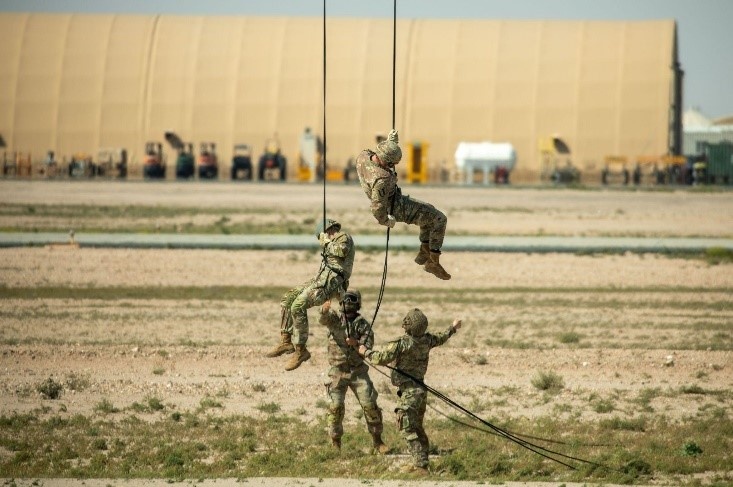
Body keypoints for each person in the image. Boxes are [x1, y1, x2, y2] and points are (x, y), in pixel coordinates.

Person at [356, 309, 462, 475]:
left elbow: (381, 358)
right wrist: (453, 328)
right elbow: (442, 337)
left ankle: (421, 466)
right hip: (421, 390)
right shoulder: (428, 340)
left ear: (408, 326)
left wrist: (364, 351)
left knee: (407, 428)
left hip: (410, 392)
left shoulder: (402, 343)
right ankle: (422, 461)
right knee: (417, 426)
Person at [355, 129, 451, 280]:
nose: (391, 166)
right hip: (395, 206)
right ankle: (433, 262)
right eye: (391, 164)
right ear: (385, 161)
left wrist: (391, 143)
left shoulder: (363, 157)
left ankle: (424, 251)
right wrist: (386, 220)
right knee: (439, 218)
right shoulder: (382, 179)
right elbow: (376, 207)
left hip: (393, 200)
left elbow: (380, 153)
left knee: (428, 212)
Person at [266, 218, 355, 371]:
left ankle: (301, 350)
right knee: (288, 299)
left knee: (298, 306)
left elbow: (342, 251)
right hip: (320, 280)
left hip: (331, 282)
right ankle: (286, 341)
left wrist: (326, 242)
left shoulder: (343, 237)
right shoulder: (331, 241)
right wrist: (326, 243)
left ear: (328, 230)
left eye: (323, 234)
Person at [318, 291, 389, 453]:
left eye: (352, 299)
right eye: (345, 299)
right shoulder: (335, 320)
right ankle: (335, 442)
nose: (348, 302)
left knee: (370, 405)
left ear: (358, 303)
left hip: (358, 372)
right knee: (335, 407)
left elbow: (368, 344)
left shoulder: (362, 324)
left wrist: (356, 343)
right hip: (337, 372)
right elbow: (323, 319)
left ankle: (378, 441)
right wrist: (323, 310)